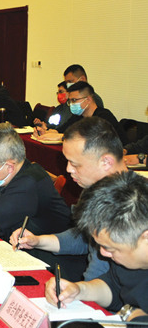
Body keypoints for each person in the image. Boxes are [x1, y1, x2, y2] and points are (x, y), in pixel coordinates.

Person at [45, 171, 148, 328]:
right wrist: (79, 290)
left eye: (110, 248)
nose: (103, 253)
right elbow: (114, 286)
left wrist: (128, 312)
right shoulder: (127, 259)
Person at [10, 118, 128, 281]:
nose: (68, 169)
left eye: (75, 164)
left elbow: (102, 271)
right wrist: (37, 241)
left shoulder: (133, 204)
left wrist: (81, 290)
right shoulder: (95, 187)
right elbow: (83, 238)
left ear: (106, 162)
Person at [35, 82, 125, 143]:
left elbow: (93, 141)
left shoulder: (104, 116)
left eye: (74, 100)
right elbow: (61, 130)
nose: (71, 104)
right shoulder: (78, 116)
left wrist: (61, 137)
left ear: (88, 99)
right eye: (70, 101)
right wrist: (45, 132)